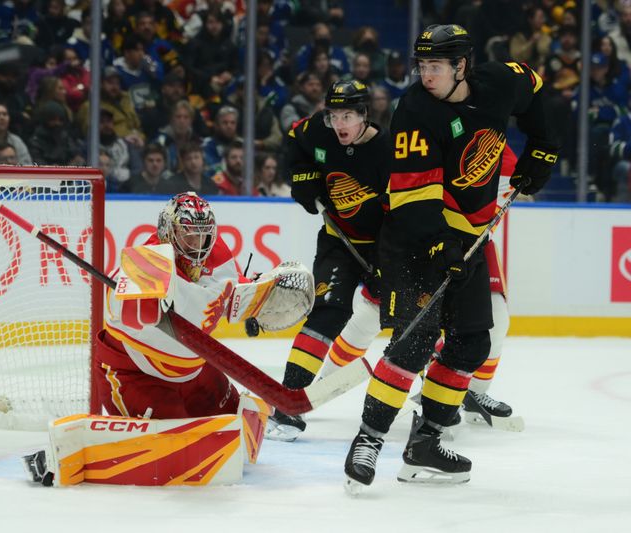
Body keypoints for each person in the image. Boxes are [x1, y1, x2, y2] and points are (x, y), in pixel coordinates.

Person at [343, 24, 557, 493]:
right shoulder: (416, 109)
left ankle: (426, 443)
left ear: (462, 66)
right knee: (414, 344)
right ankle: (368, 440)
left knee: (471, 343)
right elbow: (415, 203)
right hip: (413, 241)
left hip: (468, 241)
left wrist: (542, 146)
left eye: (435, 66)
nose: (426, 75)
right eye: (422, 66)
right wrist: (443, 248)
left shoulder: (499, 83)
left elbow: (538, 89)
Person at [94, 192, 311, 419]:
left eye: (203, 236)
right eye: (188, 235)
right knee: (179, 441)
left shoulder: (217, 252)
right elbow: (118, 297)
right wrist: (133, 299)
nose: (197, 245)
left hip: (193, 371)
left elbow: (226, 290)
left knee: (234, 418)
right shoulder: (150, 260)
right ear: (169, 233)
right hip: (135, 374)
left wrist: (255, 298)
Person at [266, 79, 390, 442]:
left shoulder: (388, 151)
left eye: (349, 115)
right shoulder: (317, 131)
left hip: (385, 245)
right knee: (328, 312)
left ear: (365, 115)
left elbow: (400, 213)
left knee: (411, 317)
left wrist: (385, 262)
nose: (340, 124)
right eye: (335, 115)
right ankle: (287, 404)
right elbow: (293, 140)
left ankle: (431, 400)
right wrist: (304, 178)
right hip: (339, 242)